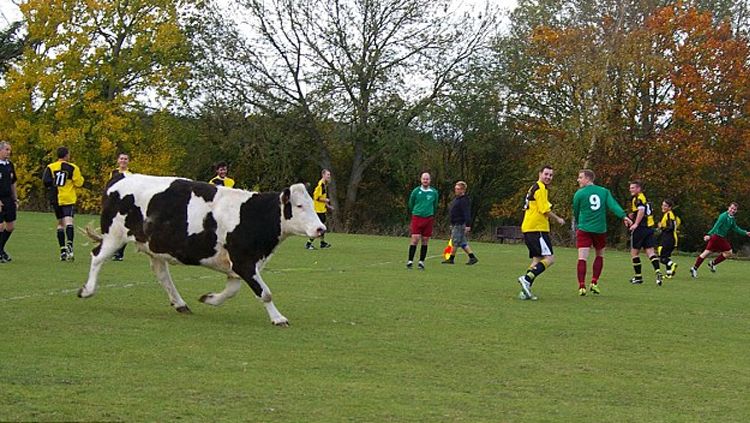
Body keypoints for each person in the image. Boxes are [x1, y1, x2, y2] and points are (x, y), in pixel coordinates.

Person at [572, 169, 632, 296]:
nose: (578, 180)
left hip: (584, 229)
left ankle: (581, 286)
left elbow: (576, 211)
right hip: (600, 229)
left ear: (588, 179)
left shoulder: (579, 193)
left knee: (582, 257)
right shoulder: (604, 191)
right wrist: (623, 216)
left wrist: (579, 223)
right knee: (599, 255)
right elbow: (613, 205)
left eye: (580, 177)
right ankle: (594, 282)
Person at [516, 165, 565, 300]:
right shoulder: (540, 188)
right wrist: (558, 219)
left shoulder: (534, 187)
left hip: (529, 227)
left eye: (550, 175)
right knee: (549, 259)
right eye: (546, 174)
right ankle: (526, 279)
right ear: (540, 174)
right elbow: (545, 210)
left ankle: (525, 291)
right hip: (537, 228)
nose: (548, 177)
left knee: (536, 260)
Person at [42, 146, 84, 261]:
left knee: (60, 223)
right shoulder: (72, 167)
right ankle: (70, 245)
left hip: (55, 198)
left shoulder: (50, 167)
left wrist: (54, 184)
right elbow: (79, 183)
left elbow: (46, 182)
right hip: (68, 197)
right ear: (67, 155)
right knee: (69, 221)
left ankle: (62, 250)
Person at [690, 202, 750, 278]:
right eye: (731, 208)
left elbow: (735, 228)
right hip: (717, 237)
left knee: (706, 253)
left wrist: (745, 233)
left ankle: (694, 268)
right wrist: (709, 234)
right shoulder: (723, 216)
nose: (732, 210)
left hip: (716, 238)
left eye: (734, 209)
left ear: (736, 211)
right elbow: (716, 226)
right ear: (728, 208)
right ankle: (713, 263)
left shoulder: (732, 218)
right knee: (729, 252)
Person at [627, 180, 663, 286]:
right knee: (650, 252)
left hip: (640, 229)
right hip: (649, 229)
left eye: (633, 188)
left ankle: (638, 277)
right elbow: (641, 211)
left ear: (639, 189)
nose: (631, 190)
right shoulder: (645, 198)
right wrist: (631, 216)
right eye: (630, 188)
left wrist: (636, 224)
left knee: (634, 253)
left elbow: (641, 210)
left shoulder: (638, 198)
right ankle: (658, 272)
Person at [406, 172, 438, 270]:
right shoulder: (416, 191)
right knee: (415, 239)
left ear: (430, 180)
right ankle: (410, 261)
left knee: (425, 240)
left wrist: (430, 213)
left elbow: (435, 205)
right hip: (417, 217)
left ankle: (421, 262)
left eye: (427, 179)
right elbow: (411, 204)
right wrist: (416, 212)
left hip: (428, 218)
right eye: (424, 179)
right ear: (421, 180)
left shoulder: (434, 192)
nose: (425, 181)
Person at [441, 181, 478, 265]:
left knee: (455, 241)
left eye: (458, 189)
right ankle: (472, 257)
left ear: (462, 190)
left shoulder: (464, 200)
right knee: (462, 242)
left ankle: (451, 259)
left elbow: (467, 213)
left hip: (460, 224)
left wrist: (468, 225)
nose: (456, 190)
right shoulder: (457, 199)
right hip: (455, 223)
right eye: (455, 188)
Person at [107, 153, 132, 261]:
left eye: (125, 159)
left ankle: (120, 252)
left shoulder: (130, 175)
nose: (123, 161)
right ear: (118, 160)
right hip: (114, 203)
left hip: (124, 203)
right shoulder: (113, 173)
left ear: (128, 161)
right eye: (121, 158)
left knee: (124, 227)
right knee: (114, 227)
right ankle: (113, 250)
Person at [0, 141, 18, 263]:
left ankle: (0, 249)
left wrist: (15, 198)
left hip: (8, 199)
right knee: (0, 227)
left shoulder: (10, 165)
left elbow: (13, 183)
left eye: (9, 150)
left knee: (10, 227)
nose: (9, 152)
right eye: (6, 149)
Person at [306, 169, 333, 250]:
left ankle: (322, 243)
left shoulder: (324, 184)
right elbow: (316, 197)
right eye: (328, 174)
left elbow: (322, 197)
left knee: (322, 227)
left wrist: (327, 205)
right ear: (323, 175)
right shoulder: (321, 185)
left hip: (321, 209)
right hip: (318, 210)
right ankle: (308, 243)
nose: (329, 176)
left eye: (329, 174)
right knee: (319, 228)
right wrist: (326, 200)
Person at [657, 199, 680, 278]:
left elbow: (671, 227)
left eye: (665, 206)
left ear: (670, 207)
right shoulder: (668, 214)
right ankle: (669, 274)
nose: (663, 207)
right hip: (670, 238)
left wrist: (662, 227)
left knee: (662, 258)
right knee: (666, 257)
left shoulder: (669, 214)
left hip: (669, 239)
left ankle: (672, 264)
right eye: (663, 205)